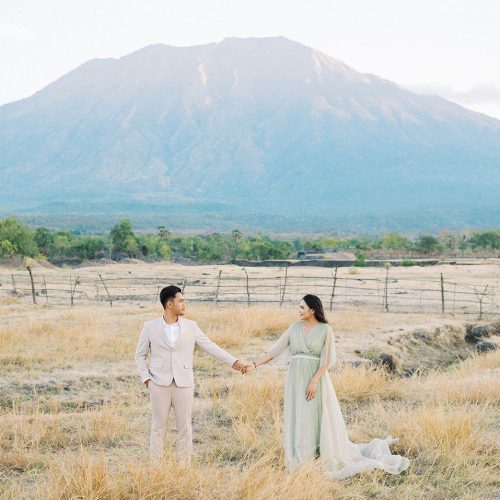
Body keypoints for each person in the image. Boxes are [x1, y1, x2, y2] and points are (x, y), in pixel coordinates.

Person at [245, 294, 410, 479]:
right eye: (298, 307)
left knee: (314, 414)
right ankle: (301, 457)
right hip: (295, 378)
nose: (298, 310)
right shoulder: (294, 328)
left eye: (302, 307)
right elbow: (275, 349)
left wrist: (314, 381)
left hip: (315, 378)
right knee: (299, 414)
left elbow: (325, 362)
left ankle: (319, 454)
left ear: (312, 310)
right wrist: (254, 364)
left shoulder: (325, 330)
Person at [135, 285, 250, 465]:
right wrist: (147, 379)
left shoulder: (191, 326)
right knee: (158, 428)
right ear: (169, 304)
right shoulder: (149, 327)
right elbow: (140, 355)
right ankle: (155, 469)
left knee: (185, 428)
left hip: (184, 383)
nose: (184, 304)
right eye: (180, 300)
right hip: (158, 384)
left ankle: (184, 469)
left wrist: (234, 362)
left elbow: (210, 346)